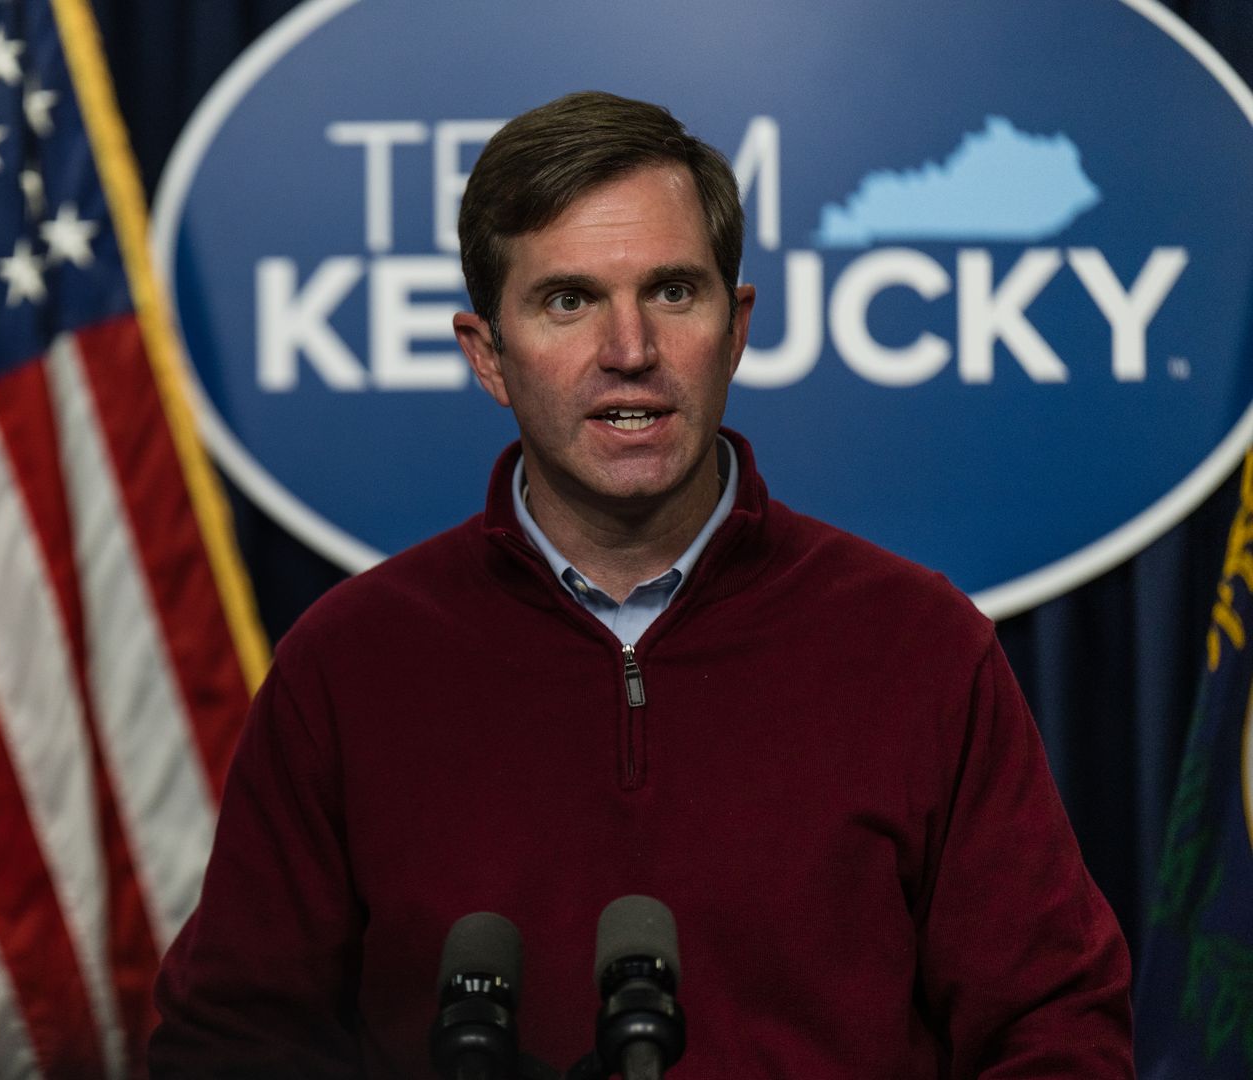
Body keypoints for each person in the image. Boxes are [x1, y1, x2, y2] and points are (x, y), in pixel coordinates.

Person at [149, 91, 1132, 1078]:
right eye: (568, 301)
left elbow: (1057, 1029)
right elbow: (230, 1045)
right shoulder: (350, 666)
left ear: (735, 327)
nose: (630, 352)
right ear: (487, 355)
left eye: (671, 292)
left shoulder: (919, 646)